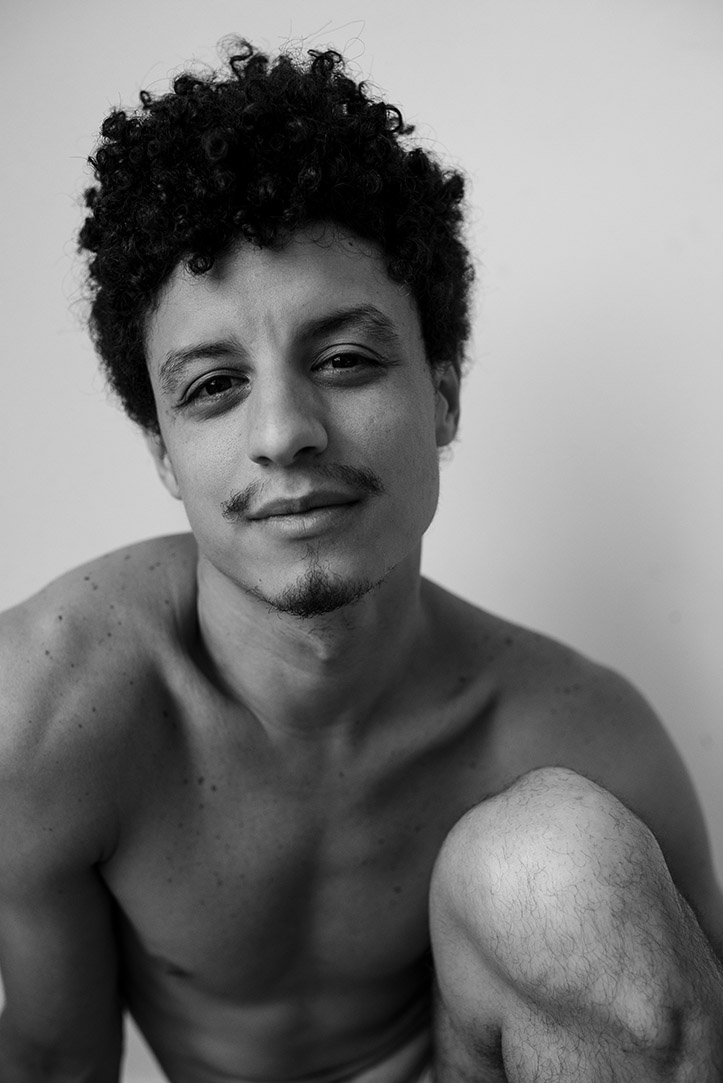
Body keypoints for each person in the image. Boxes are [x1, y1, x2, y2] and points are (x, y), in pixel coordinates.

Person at [0, 40, 721, 1083]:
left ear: (443, 397)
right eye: (212, 387)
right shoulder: (49, 706)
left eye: (344, 360)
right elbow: (56, 1057)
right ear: (162, 451)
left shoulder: (585, 741)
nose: (284, 432)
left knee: (557, 863)